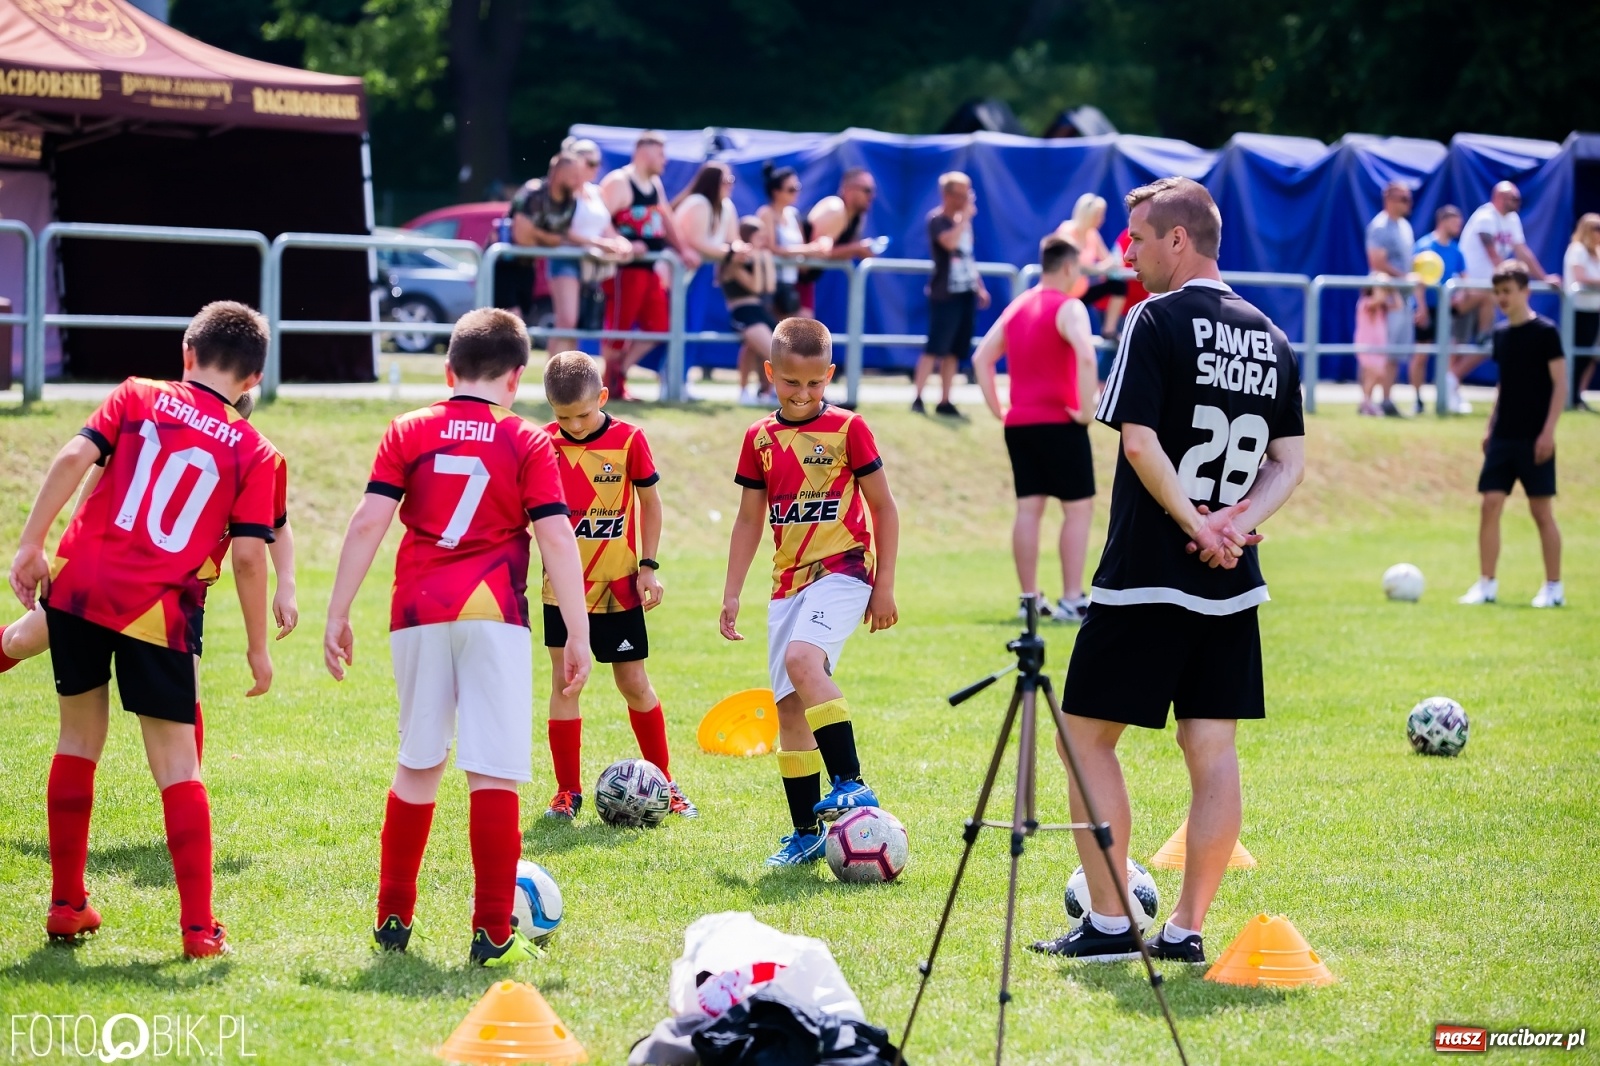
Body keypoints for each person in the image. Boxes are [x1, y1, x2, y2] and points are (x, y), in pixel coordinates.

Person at [1030, 177, 1305, 962]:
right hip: (1231, 582)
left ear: (1179, 239)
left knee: (1083, 738)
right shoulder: (1271, 334)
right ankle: (1185, 930)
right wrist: (1236, 526)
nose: (1129, 253)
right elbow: (1291, 462)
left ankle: (1113, 923)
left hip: (1151, 571)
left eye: (1140, 239)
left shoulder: (1155, 317)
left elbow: (1139, 441)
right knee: (1211, 749)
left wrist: (1195, 525)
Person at [9, 301, 283, 959]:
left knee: (77, 739)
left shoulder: (136, 396)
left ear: (187, 355)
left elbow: (75, 456)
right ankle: (197, 929)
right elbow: (248, 555)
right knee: (177, 766)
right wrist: (255, 645)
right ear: (253, 381)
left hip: (79, 585)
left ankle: (66, 903)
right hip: (158, 610)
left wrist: (30, 543)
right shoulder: (255, 448)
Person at [322, 307, 592, 967]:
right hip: (494, 613)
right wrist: (578, 631)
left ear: (449, 370)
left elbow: (367, 523)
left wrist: (338, 610)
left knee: (418, 763)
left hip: (417, 609)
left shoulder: (408, 428)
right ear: (518, 377)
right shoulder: (527, 439)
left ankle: (392, 920)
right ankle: (492, 932)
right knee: (492, 770)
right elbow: (556, 535)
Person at [720, 318, 900, 867]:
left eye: (815, 384)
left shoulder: (849, 429)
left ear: (830, 376)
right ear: (771, 374)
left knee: (803, 660)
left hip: (843, 570)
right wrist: (732, 593)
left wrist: (884, 584)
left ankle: (851, 781)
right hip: (785, 583)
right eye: (792, 383)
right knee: (790, 712)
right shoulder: (759, 439)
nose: (803, 395)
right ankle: (805, 834)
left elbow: (884, 507)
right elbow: (749, 520)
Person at [539, 351, 696, 820]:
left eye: (584, 414)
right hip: (560, 593)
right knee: (566, 685)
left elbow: (651, 503)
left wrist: (648, 565)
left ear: (603, 397)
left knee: (633, 682)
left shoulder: (629, 440)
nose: (576, 425)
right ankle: (567, 792)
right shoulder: (541, 444)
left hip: (618, 586)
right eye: (563, 416)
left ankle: (665, 786)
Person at [971, 235, 1100, 624]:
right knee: (1078, 510)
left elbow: (981, 358)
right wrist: (1085, 410)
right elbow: (1088, 355)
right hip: (1060, 421)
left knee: (1029, 509)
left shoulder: (1018, 306)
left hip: (1021, 423)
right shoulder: (1070, 307)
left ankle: (1029, 598)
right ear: (1067, 268)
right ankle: (1073, 598)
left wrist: (999, 408)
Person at [1457, 261, 1566, 610]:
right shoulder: (1502, 336)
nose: (1503, 298)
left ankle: (1553, 587)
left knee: (1541, 512)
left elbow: (1560, 384)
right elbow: (1505, 385)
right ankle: (1486, 584)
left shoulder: (1546, 332)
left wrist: (1548, 432)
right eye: (1498, 292)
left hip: (1536, 436)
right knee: (1490, 505)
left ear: (1525, 291)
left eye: (1509, 291)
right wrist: (1490, 426)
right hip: (1503, 435)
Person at [1455, 182, 1559, 413]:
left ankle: (1452, 383)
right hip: (1469, 289)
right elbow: (1492, 254)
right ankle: (1451, 387)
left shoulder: (1512, 221)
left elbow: (1523, 252)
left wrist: (1543, 278)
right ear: (1499, 197)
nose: (1518, 203)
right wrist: (1507, 281)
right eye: (1514, 198)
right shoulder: (1485, 217)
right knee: (1456, 343)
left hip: (1489, 293)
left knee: (1487, 344)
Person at [600, 131, 689, 400]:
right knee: (620, 328)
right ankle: (609, 385)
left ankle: (620, 373)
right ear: (643, 151)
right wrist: (621, 242)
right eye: (661, 153)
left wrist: (683, 249)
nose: (666, 160)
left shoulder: (655, 184)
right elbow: (599, 218)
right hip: (624, 269)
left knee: (659, 327)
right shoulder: (619, 181)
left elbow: (666, 217)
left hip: (650, 268)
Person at [914, 172, 990, 416]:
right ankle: (918, 396)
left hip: (964, 292)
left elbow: (967, 257)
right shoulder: (938, 220)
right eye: (961, 194)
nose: (965, 199)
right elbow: (948, 243)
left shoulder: (962, 224)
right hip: (944, 293)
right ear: (947, 195)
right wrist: (964, 218)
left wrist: (979, 286)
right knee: (935, 346)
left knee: (955, 350)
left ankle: (945, 400)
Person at [1363, 180, 1421, 417]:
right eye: (1403, 198)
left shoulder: (1405, 226)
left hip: (1403, 299)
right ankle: (1366, 401)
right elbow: (1377, 262)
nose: (1409, 203)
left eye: (1409, 198)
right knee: (1378, 352)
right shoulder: (1380, 227)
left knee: (1395, 354)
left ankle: (1386, 399)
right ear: (1388, 199)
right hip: (1385, 299)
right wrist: (1407, 277)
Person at [797, 167, 880, 314]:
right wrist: (856, 249)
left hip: (805, 282)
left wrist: (859, 249)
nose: (872, 196)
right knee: (796, 333)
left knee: (802, 333)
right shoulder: (835, 208)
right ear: (848, 189)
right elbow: (812, 257)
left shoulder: (857, 217)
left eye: (873, 191)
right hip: (788, 279)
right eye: (867, 190)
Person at [1410, 205, 1468, 414]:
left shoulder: (1457, 250)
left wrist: (1460, 296)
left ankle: (1449, 398)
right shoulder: (1424, 246)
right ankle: (1417, 400)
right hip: (1426, 309)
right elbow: (1416, 281)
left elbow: (1465, 279)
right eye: (1455, 222)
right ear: (1443, 222)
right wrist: (1421, 308)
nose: (1458, 226)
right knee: (1421, 355)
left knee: (1450, 353)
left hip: (1447, 310)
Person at [758, 163, 832, 319]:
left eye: (797, 188)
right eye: (791, 189)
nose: (796, 193)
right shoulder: (766, 213)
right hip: (772, 285)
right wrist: (811, 249)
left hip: (791, 284)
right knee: (773, 336)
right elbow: (771, 248)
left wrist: (820, 248)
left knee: (790, 335)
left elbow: (802, 249)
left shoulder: (793, 214)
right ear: (776, 192)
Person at [723, 217, 779, 406]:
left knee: (763, 348)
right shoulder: (734, 262)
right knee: (772, 352)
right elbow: (755, 287)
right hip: (742, 311)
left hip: (760, 311)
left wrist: (766, 260)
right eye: (759, 237)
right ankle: (744, 391)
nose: (764, 241)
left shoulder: (760, 257)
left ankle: (765, 392)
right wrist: (757, 261)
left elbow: (769, 287)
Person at [1057, 194, 1129, 340]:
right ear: (1087, 214)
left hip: (1080, 291)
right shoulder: (1067, 231)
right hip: (1062, 293)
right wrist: (1100, 269)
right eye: (1098, 215)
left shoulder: (1092, 235)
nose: (1101, 220)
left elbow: (1110, 260)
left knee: (1118, 285)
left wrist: (1104, 267)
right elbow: (1072, 264)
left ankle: (1109, 329)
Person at [1562, 213, 1600, 410]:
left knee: (1589, 356)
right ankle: (1569, 396)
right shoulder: (1577, 250)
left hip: (1595, 310)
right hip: (1578, 310)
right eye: (1597, 228)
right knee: (1576, 355)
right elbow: (1580, 277)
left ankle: (1578, 396)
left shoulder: (1598, 252)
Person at [1354, 284, 1396, 417]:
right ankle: (1365, 403)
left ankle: (1367, 403)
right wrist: (1382, 285)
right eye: (1380, 289)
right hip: (1366, 345)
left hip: (1380, 346)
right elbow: (1377, 300)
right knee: (1374, 372)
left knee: (1378, 374)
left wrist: (1393, 290)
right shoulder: (1366, 303)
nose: (1383, 292)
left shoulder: (1382, 307)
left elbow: (1399, 305)